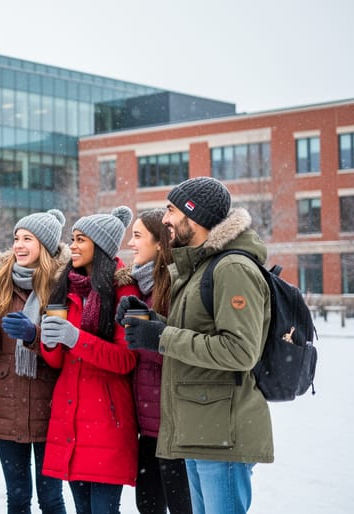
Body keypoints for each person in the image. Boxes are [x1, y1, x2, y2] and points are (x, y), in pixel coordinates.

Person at [116, 177, 272, 514]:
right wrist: (151, 320)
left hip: (222, 432)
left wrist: (162, 337)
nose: (166, 219)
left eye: (171, 211)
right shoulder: (199, 268)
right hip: (199, 427)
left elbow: (239, 350)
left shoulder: (232, 268)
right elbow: (193, 331)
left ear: (194, 216)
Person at [0, 209, 69, 514]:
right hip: (7, 406)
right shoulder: (1, 282)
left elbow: (63, 352)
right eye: (16, 238)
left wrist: (34, 336)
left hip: (50, 405)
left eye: (28, 239)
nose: (19, 245)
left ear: (46, 247)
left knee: (51, 498)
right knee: (18, 496)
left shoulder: (62, 286)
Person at [37, 206, 139, 514]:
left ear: (102, 247)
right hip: (69, 418)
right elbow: (56, 363)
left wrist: (75, 338)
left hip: (107, 420)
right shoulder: (66, 287)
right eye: (73, 239)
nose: (74, 246)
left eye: (81, 240)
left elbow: (126, 360)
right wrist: (49, 342)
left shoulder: (124, 291)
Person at [125, 209, 191, 514]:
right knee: (147, 505)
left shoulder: (176, 289)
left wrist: (145, 335)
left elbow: (184, 352)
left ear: (160, 244)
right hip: (147, 425)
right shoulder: (138, 288)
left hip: (175, 427)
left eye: (138, 236)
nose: (131, 243)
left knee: (179, 505)